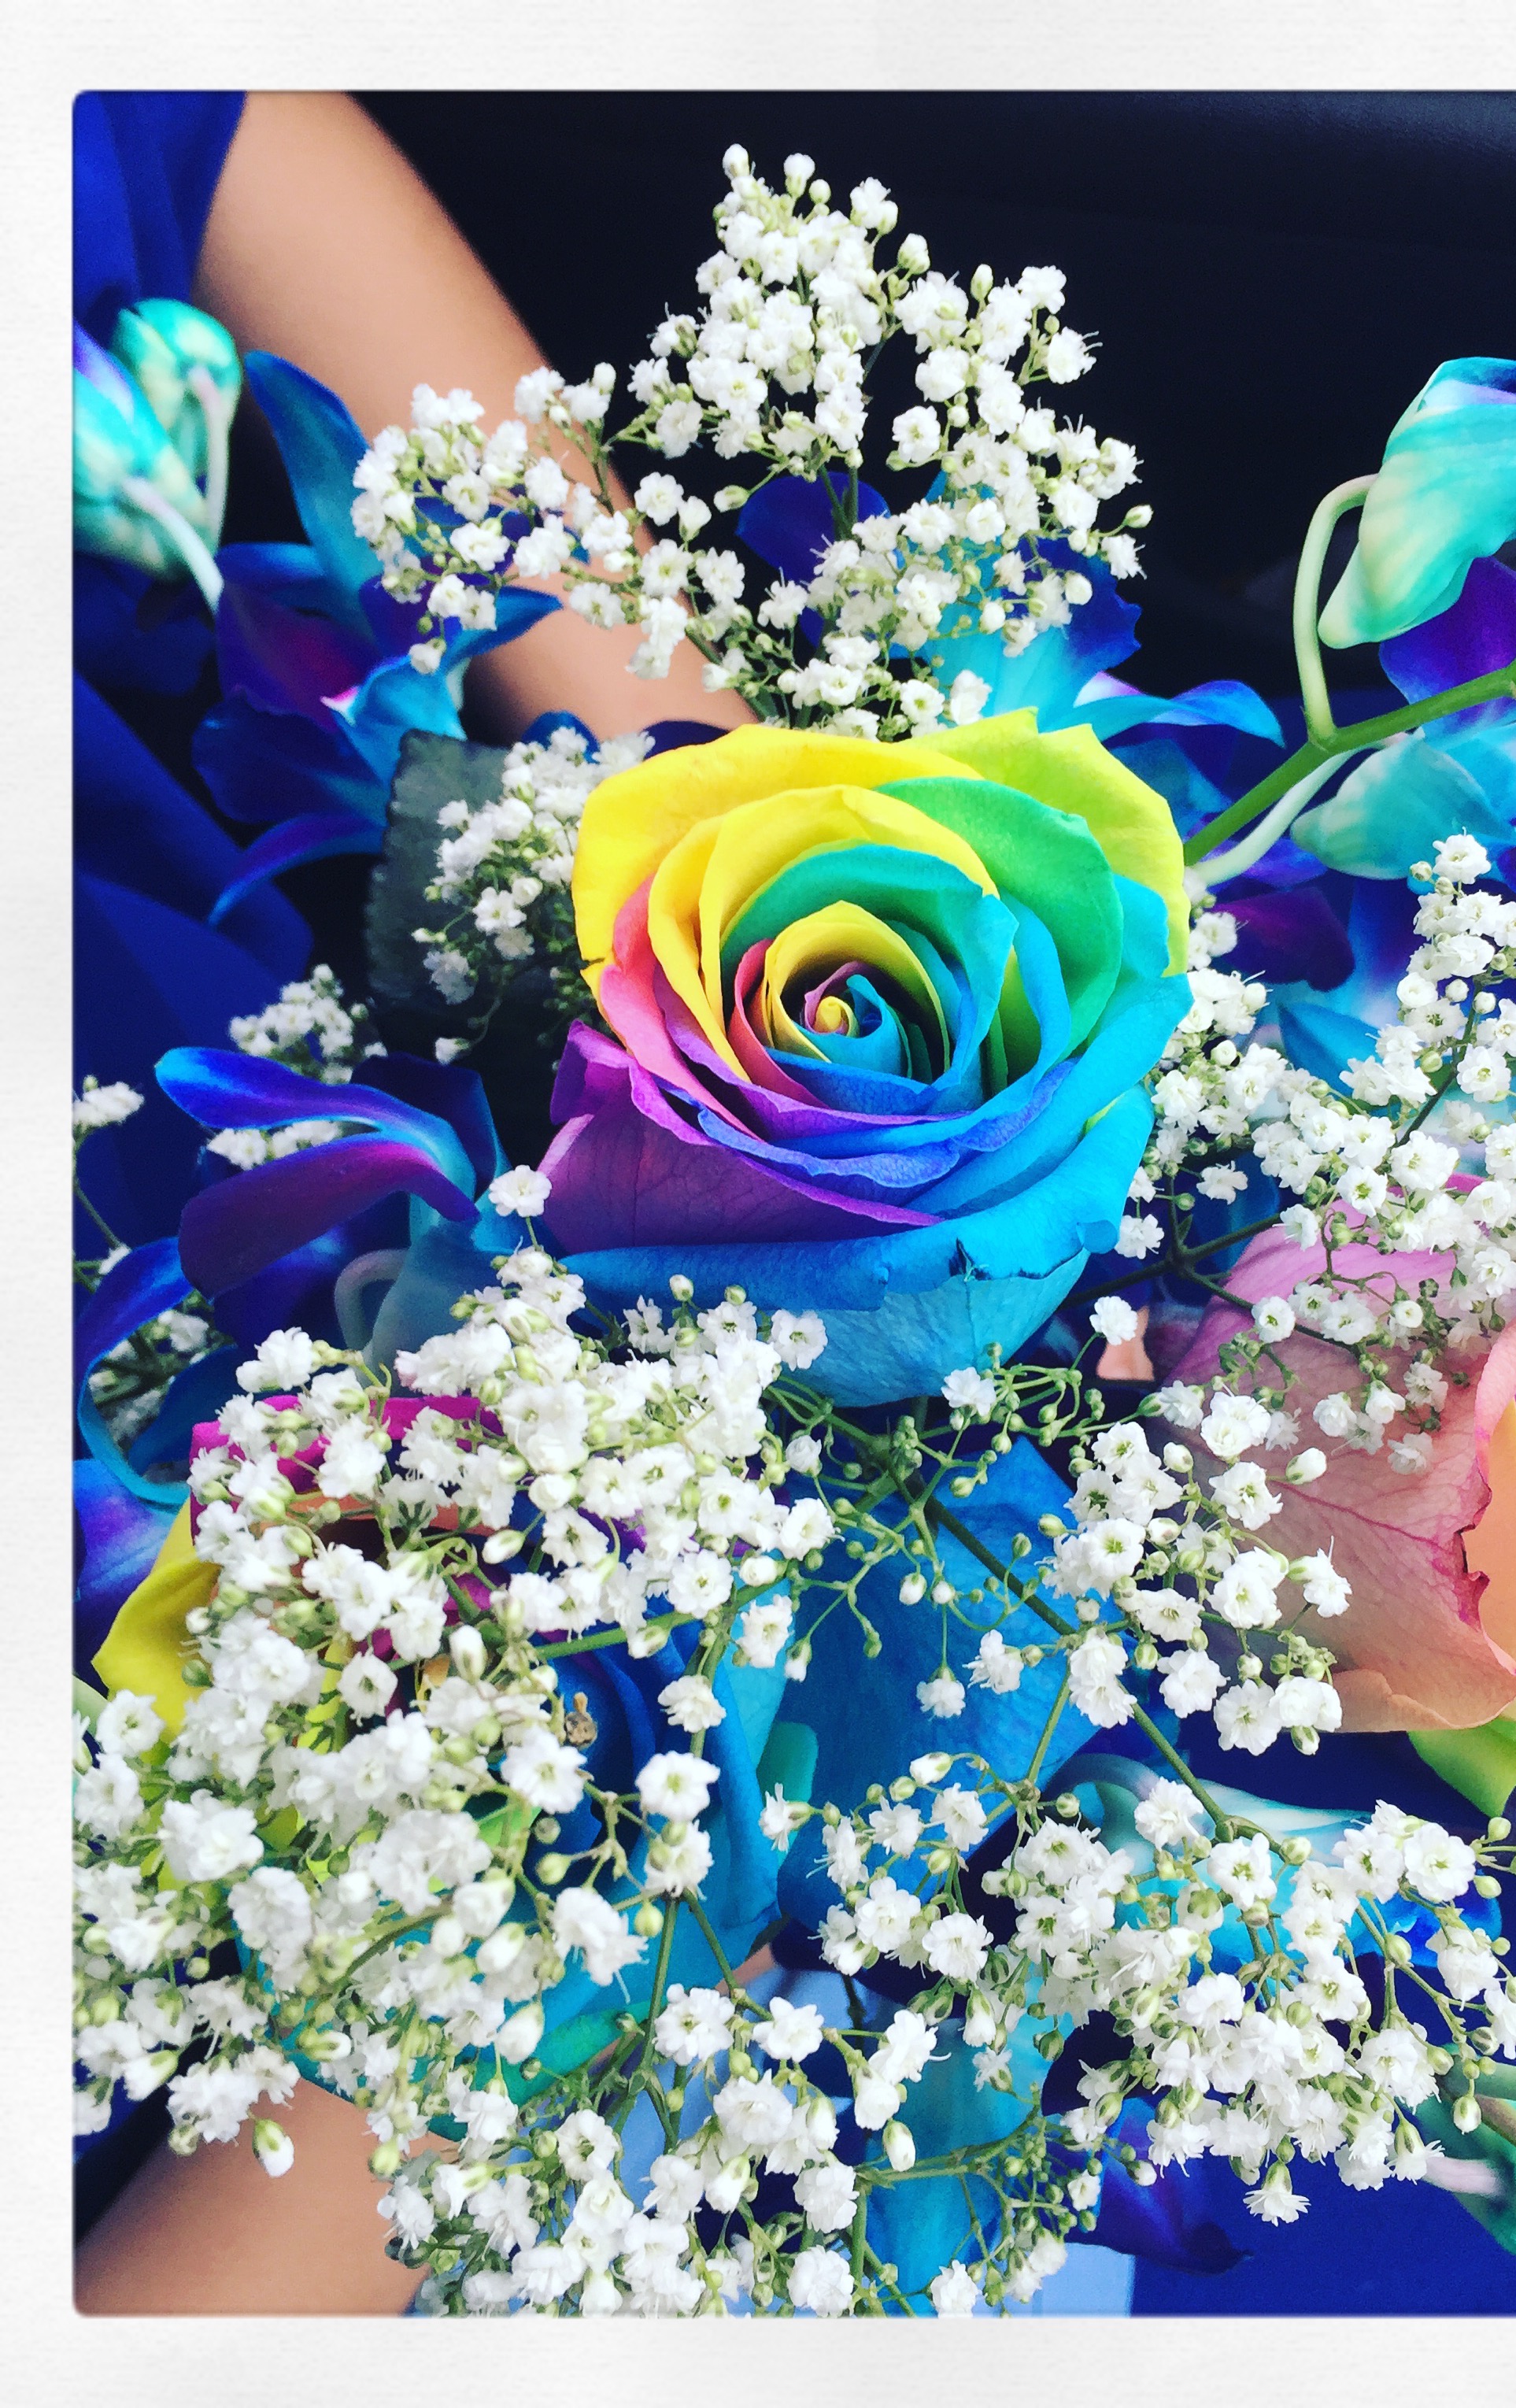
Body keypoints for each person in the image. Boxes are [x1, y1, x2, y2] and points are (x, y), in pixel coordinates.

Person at [74, 90, 746, 2316]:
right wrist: (563, 1906)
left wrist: (759, 951)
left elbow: (192, 127)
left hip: (381, 1085)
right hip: (288, 1964)